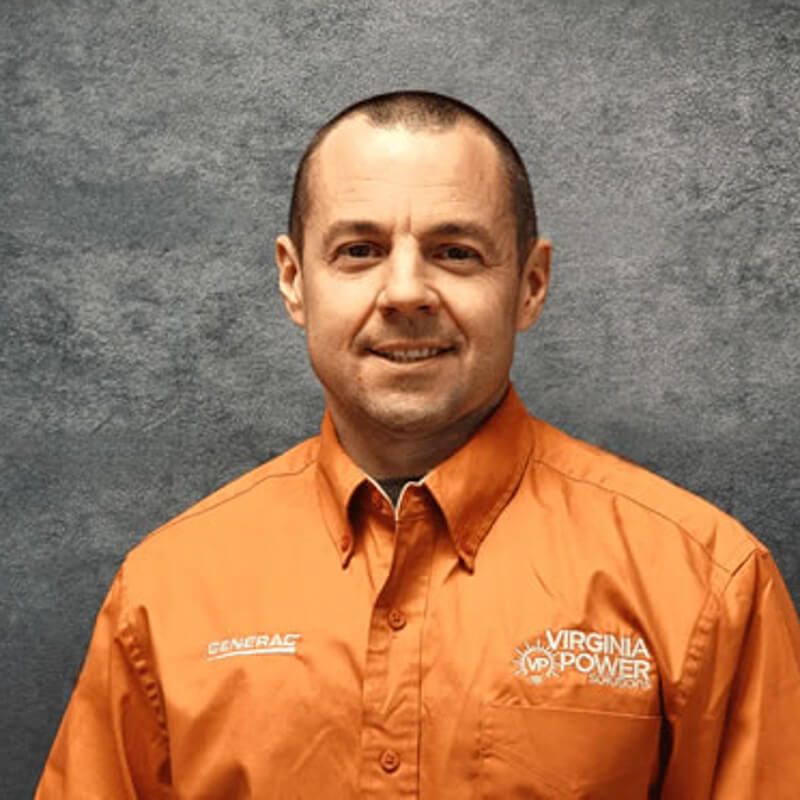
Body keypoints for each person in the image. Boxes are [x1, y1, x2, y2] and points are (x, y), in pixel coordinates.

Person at [37, 90, 800, 799]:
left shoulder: (706, 584)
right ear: (294, 280)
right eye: (360, 251)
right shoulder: (167, 589)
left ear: (530, 285)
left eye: (456, 252)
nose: (406, 292)